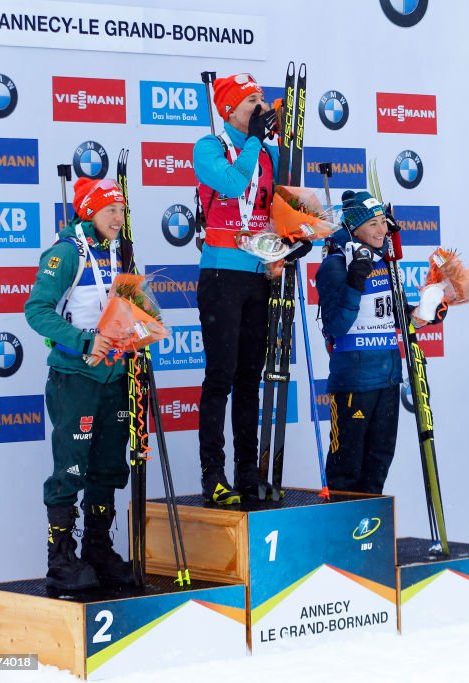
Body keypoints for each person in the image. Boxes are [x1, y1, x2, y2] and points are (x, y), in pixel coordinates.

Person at [24, 177, 136, 591]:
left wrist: (139, 329)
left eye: (121, 211)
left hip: (114, 376)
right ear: (88, 210)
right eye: (110, 210)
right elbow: (36, 310)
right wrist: (83, 340)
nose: (118, 218)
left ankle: (97, 548)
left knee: (108, 465)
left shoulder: (118, 252)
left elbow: (120, 306)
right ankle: (60, 559)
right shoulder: (66, 253)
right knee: (71, 466)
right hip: (75, 377)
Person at [317, 191, 446, 495]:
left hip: (388, 381)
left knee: (377, 466)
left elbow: (399, 319)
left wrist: (427, 312)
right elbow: (336, 325)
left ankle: (368, 538)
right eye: (373, 224)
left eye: (383, 223)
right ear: (354, 228)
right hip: (354, 384)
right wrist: (355, 281)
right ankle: (341, 537)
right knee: (346, 471)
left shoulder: (386, 264)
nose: (381, 231)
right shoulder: (335, 265)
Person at [194, 72, 279, 505]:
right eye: (252, 105)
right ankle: (214, 474)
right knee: (221, 376)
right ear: (229, 110)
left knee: (250, 378)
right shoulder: (210, 147)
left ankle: (249, 471)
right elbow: (232, 184)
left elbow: (278, 205)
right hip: (221, 277)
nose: (261, 113)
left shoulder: (268, 153)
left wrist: (291, 242)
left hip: (257, 276)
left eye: (263, 104)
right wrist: (254, 142)